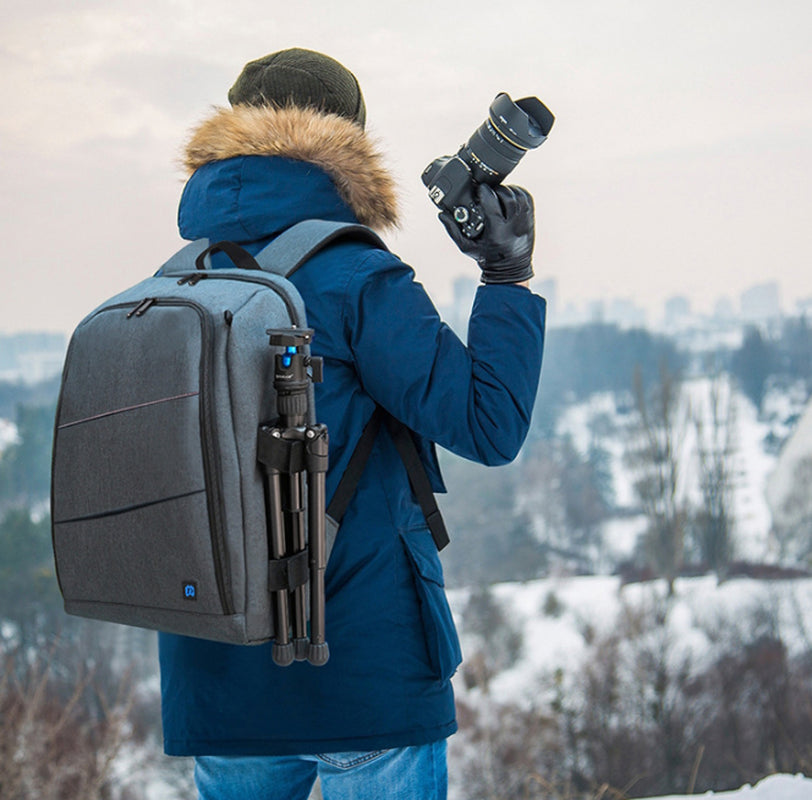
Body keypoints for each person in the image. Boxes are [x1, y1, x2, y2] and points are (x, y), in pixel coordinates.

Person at [158, 47, 546, 800]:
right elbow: (489, 424)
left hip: (216, 675)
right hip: (366, 670)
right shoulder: (356, 276)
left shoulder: (178, 281)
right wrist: (506, 275)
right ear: (350, 147)